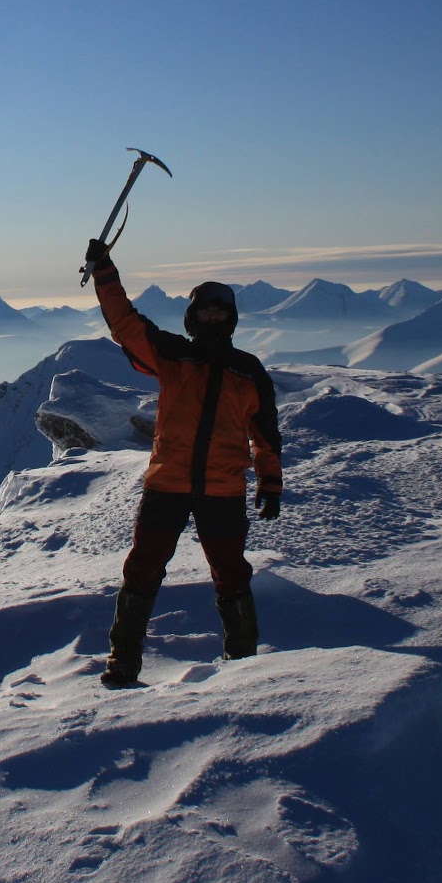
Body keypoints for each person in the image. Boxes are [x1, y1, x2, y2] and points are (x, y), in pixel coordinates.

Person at [84, 238, 283, 687]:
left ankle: (244, 666)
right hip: (167, 486)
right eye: (207, 310)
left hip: (222, 490)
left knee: (231, 575)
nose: (214, 316)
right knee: (141, 570)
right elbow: (126, 324)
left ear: (231, 318)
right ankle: (122, 663)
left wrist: (270, 483)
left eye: (222, 310)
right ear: (193, 317)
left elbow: (265, 435)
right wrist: (104, 272)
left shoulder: (249, 371)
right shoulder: (173, 355)